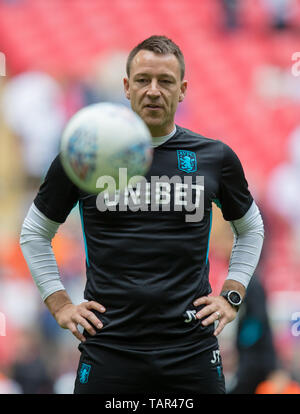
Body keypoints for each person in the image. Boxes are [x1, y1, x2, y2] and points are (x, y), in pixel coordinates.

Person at [20, 35, 264, 394]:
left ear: (182, 90)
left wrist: (232, 295)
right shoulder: (85, 152)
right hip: (109, 348)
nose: (153, 90)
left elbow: (251, 227)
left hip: (190, 350)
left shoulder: (214, 157)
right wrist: (59, 303)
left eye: (165, 81)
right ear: (126, 87)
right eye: (142, 80)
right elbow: (34, 232)